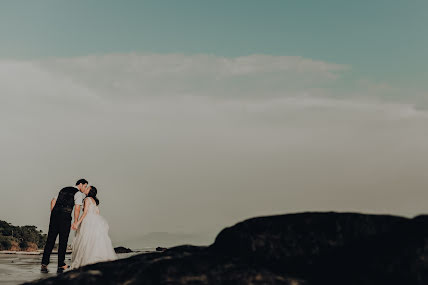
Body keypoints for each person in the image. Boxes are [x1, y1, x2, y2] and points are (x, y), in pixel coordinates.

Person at [41, 179, 89, 273]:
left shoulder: (63, 189)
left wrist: (54, 213)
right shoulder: (78, 193)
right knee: (63, 240)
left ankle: (44, 263)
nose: (85, 188)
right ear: (80, 184)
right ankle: (61, 264)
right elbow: (77, 209)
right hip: (65, 216)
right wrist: (75, 221)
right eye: (85, 186)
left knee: (50, 239)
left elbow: (52, 201)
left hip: (54, 215)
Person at [71, 186, 117, 268]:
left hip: (88, 220)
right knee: (95, 241)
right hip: (95, 220)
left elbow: (85, 213)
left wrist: (77, 222)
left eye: (87, 188)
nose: (85, 189)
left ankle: (87, 261)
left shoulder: (87, 199)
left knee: (86, 240)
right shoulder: (94, 201)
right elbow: (97, 212)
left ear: (90, 191)